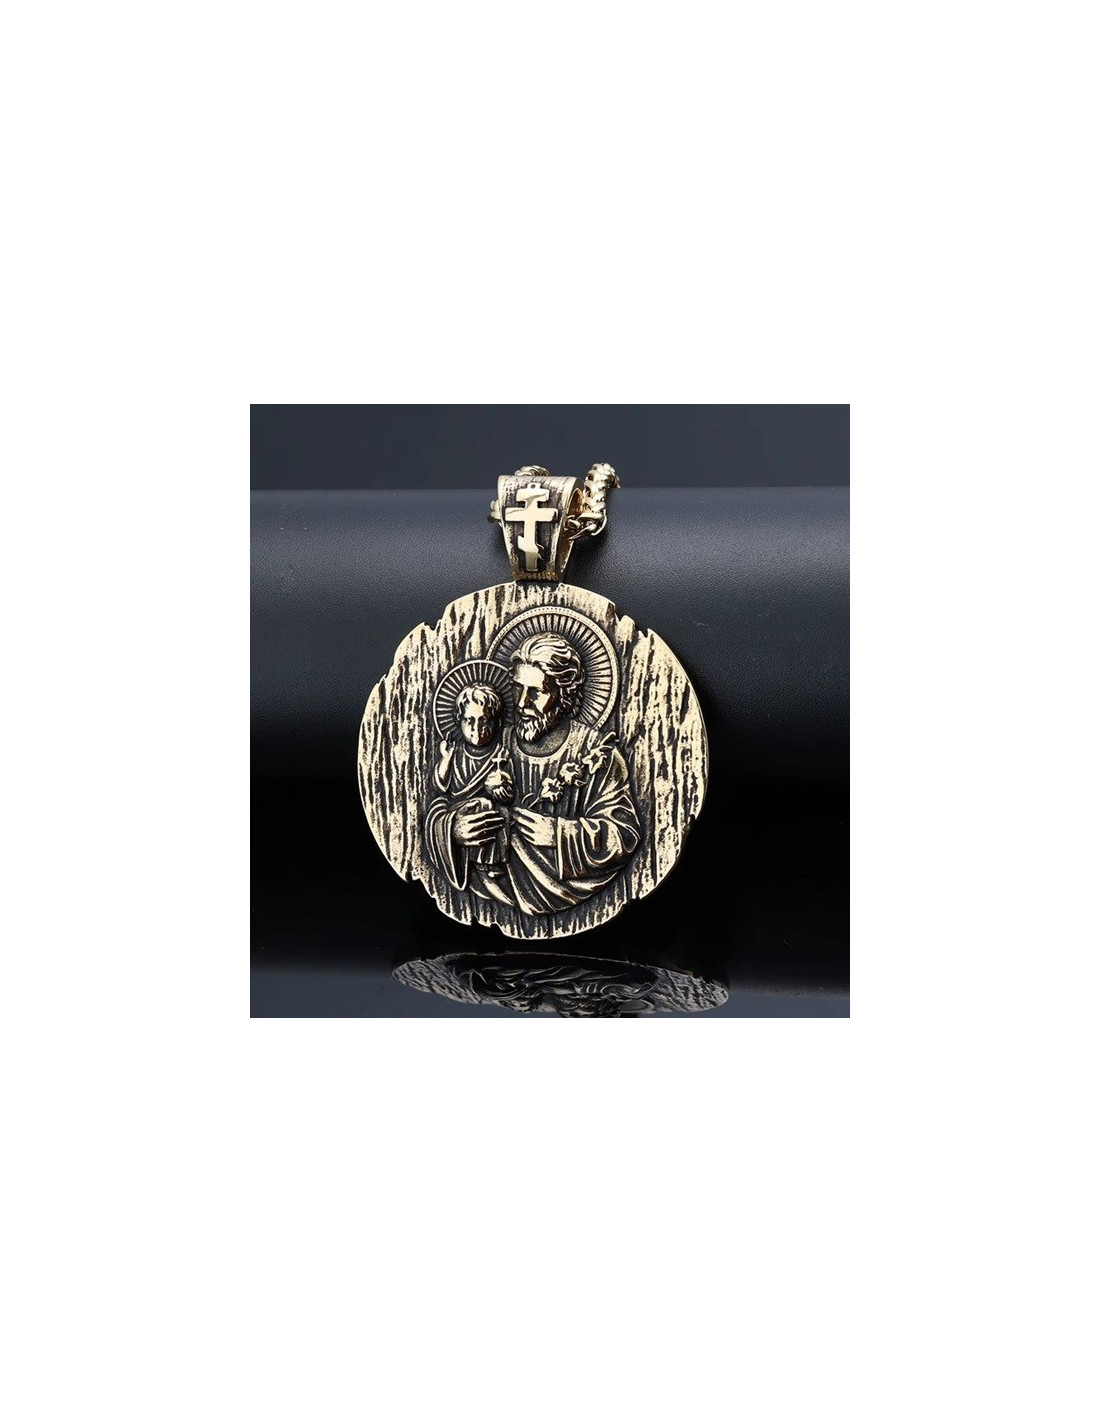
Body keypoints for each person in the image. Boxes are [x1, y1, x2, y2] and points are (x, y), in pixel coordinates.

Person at [425, 633, 639, 915]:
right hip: (491, 892)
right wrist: (453, 830)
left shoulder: (597, 754)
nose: (522, 703)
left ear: (564, 695)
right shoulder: (493, 743)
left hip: (573, 896)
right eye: (517, 688)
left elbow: (624, 835)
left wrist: (558, 834)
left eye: (536, 692)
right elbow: (445, 798)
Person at [430, 683, 513, 883]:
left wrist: (501, 788)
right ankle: (474, 862)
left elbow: (510, 790)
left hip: (487, 809)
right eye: (469, 720)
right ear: (460, 720)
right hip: (460, 808)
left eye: (484, 720)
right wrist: (446, 758)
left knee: (499, 812)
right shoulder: (455, 752)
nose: (477, 728)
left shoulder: (500, 754)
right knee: (482, 805)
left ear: (496, 722)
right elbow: (440, 786)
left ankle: (492, 862)